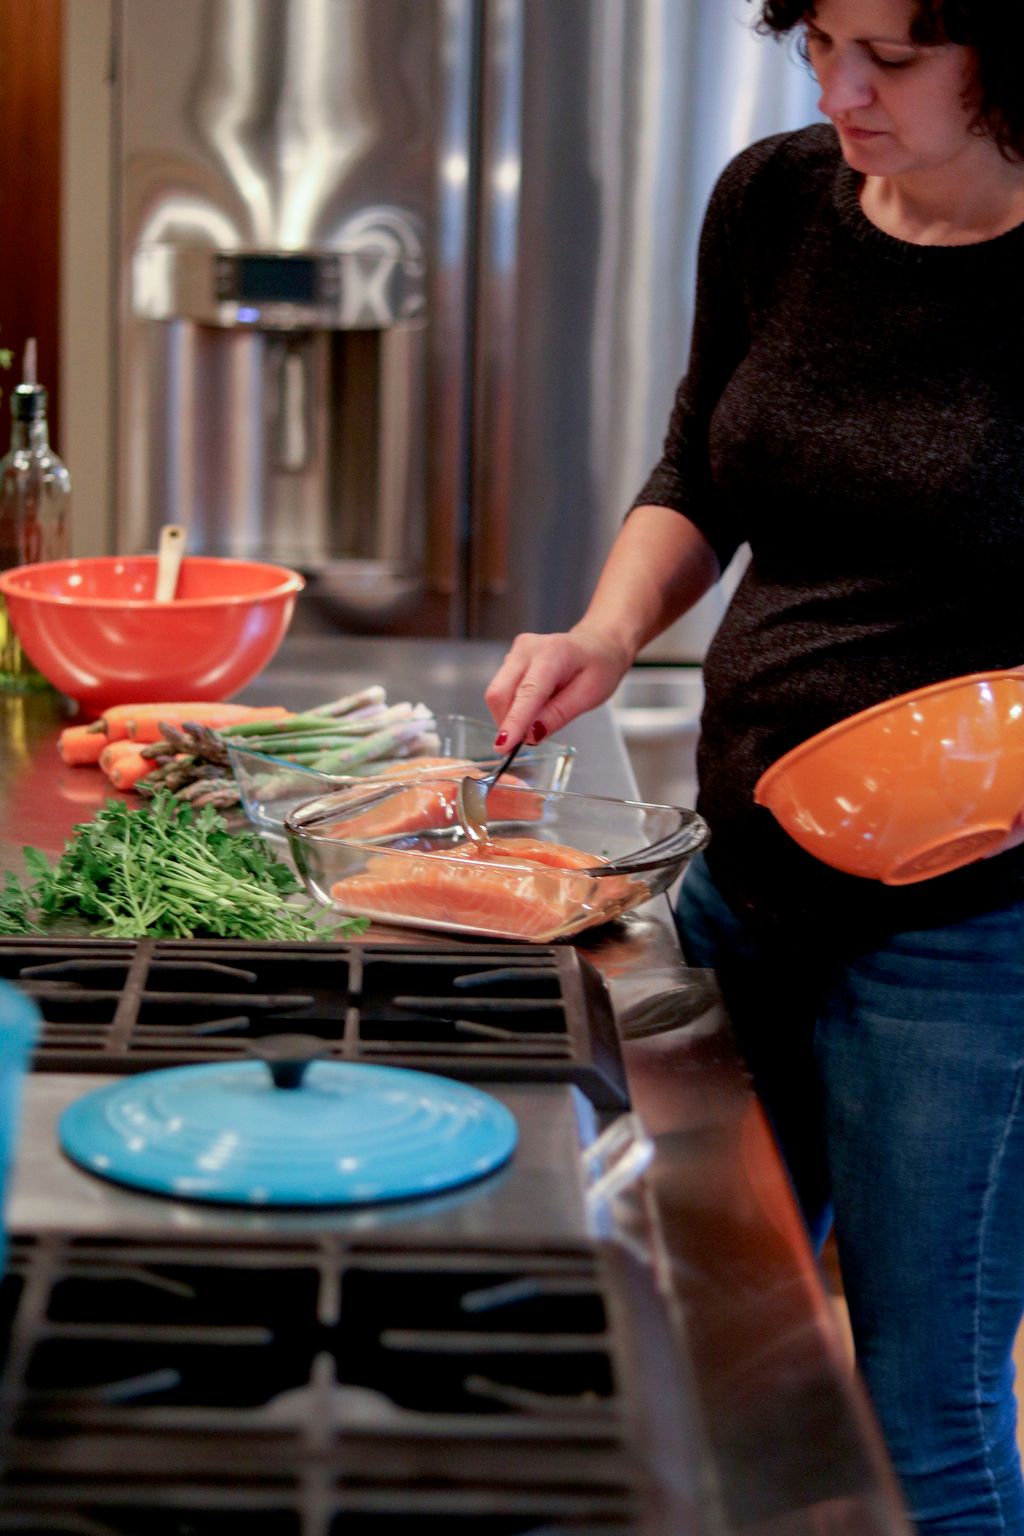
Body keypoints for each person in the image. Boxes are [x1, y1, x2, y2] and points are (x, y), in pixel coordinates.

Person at [483, 2, 1024, 1531]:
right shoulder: (778, 196)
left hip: (969, 949)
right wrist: (604, 626)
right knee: (732, 1356)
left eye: (896, 58)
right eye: (818, 41)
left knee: (925, 1423)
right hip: (743, 896)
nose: (841, 89)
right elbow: (700, 473)